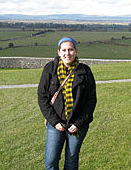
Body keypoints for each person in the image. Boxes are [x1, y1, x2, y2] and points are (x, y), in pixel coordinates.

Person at [38, 37, 97, 170]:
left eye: (70, 50)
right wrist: (54, 121)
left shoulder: (85, 71)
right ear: (58, 52)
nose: (67, 53)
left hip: (77, 125)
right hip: (56, 123)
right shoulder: (50, 69)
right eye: (64, 50)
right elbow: (42, 97)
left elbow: (91, 100)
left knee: (71, 160)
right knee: (51, 161)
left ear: (76, 51)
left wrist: (78, 123)